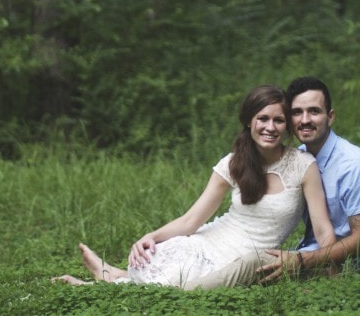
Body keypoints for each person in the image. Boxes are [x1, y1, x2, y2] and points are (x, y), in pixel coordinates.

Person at [53, 84, 336, 288]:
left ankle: (108, 279)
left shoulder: (303, 165)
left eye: (278, 120)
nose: (270, 127)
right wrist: (150, 236)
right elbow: (192, 219)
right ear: (249, 121)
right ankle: (112, 276)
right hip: (208, 244)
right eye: (262, 118)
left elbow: (322, 228)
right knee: (171, 271)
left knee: (245, 265)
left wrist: (332, 265)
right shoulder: (234, 163)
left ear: (287, 126)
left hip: (251, 258)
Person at [190, 76, 360, 288]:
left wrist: (304, 262)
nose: (304, 120)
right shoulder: (298, 159)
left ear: (330, 116)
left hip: (347, 266)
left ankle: (183, 292)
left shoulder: (354, 165)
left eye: (314, 111)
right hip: (308, 255)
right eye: (296, 112)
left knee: (252, 263)